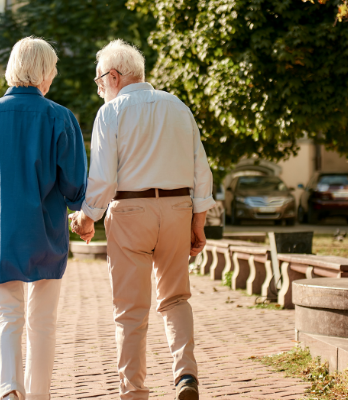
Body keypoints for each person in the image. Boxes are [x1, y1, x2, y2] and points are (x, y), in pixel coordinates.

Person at [70, 39, 214, 400]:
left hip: (130, 211)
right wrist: (198, 221)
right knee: (176, 298)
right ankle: (185, 376)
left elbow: (104, 178)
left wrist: (87, 218)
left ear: (114, 76)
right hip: (178, 208)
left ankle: (134, 391)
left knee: (131, 309)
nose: (99, 87)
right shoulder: (178, 106)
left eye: (100, 80)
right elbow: (201, 169)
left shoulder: (111, 112)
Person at [0, 37, 87, 400]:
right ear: (45, 73)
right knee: (43, 323)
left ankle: (8, 389)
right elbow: (75, 182)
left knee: (8, 316)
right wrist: (80, 211)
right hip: (46, 230)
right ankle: (38, 396)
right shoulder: (60, 117)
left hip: (3, 228)